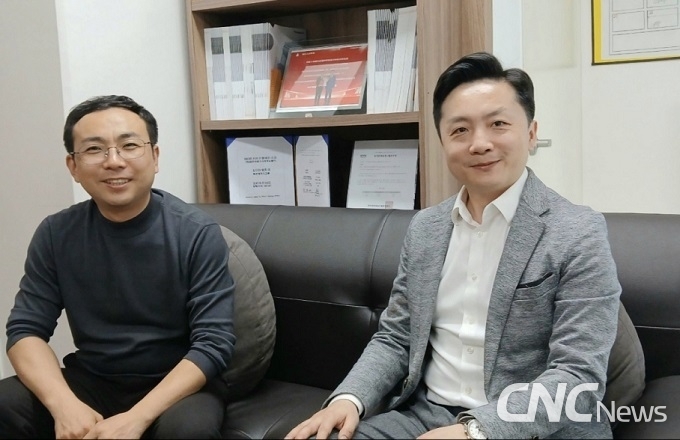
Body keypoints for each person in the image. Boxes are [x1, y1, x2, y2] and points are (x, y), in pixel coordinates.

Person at [286, 52, 621, 439]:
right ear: (443, 142)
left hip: (529, 428)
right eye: (460, 130)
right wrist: (349, 399)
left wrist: (476, 431)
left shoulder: (578, 231)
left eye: (498, 124)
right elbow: (396, 337)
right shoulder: (426, 228)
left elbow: (577, 374)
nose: (479, 143)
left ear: (531, 134)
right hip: (424, 415)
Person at [0, 95, 236, 439]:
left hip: (177, 385)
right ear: (73, 166)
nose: (114, 161)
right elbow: (25, 331)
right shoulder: (56, 233)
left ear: (155, 157)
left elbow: (214, 343)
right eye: (94, 149)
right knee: (6, 401)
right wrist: (63, 405)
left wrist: (136, 418)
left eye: (129, 146)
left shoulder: (196, 233)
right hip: (94, 379)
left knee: (188, 431)